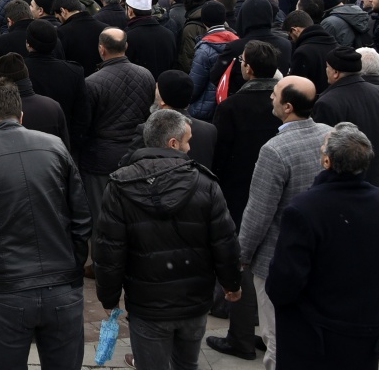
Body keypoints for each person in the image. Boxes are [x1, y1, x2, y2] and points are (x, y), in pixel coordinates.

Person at [0, 78, 89, 370]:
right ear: (21, 115)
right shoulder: (55, 147)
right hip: (61, 286)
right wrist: (73, 268)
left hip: (6, 289)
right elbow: (81, 218)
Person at [93, 109, 241, 370]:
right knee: (187, 364)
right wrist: (231, 284)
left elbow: (109, 250)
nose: (190, 146)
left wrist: (109, 297)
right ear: (173, 143)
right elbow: (225, 241)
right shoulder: (205, 183)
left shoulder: (120, 185)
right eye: (187, 140)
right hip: (193, 302)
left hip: (147, 304)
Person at [265, 123, 379, 370]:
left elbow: (285, 280)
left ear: (327, 162)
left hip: (312, 334)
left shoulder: (304, 209)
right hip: (364, 326)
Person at [226, 76, 329, 369]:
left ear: (287, 106)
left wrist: (240, 258)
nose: (270, 98)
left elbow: (259, 213)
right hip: (317, 254)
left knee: (278, 340)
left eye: (274, 95)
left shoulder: (275, 149)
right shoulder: (327, 134)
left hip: (276, 258)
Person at [207, 41, 283, 360]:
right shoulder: (284, 100)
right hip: (281, 193)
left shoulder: (232, 108)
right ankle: (267, 329)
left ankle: (241, 334)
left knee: (242, 262)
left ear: (248, 69)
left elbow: (219, 158)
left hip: (240, 193)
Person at [81, 28, 155, 236]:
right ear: (126, 47)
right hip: (136, 155)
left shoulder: (92, 83)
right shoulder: (146, 75)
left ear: (101, 50)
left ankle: (103, 262)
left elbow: (85, 124)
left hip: (101, 159)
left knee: (102, 216)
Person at [312, 45, 379, 187]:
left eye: (327, 67)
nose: (326, 70)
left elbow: (322, 148)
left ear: (335, 72)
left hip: (341, 184)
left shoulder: (327, 102)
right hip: (377, 180)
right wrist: (377, 155)